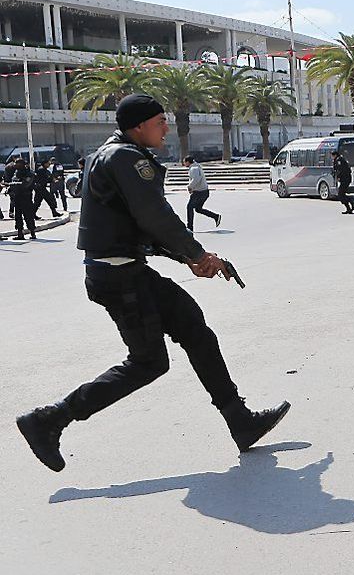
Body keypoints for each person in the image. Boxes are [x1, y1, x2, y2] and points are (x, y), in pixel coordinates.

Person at [15, 94, 289, 473]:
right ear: (139, 126)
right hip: (119, 276)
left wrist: (189, 259)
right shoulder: (125, 158)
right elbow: (154, 216)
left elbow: (139, 227)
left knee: (195, 328)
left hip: (127, 269)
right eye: (160, 121)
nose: (166, 128)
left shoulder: (112, 155)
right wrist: (197, 254)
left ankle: (240, 421)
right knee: (148, 362)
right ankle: (49, 419)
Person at [184, 156, 221, 231]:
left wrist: (190, 187)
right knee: (198, 209)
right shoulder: (196, 167)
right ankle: (216, 216)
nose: (183, 163)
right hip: (204, 192)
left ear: (188, 162)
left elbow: (196, 179)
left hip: (199, 192)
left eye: (184, 162)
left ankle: (190, 227)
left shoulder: (194, 169)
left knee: (189, 207)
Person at [9, 158, 37, 240]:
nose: (15, 165)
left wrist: (14, 185)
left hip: (26, 197)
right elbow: (12, 183)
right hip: (17, 197)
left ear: (21, 164)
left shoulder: (29, 174)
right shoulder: (16, 173)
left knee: (28, 215)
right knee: (18, 216)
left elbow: (25, 184)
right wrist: (10, 188)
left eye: (17, 164)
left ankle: (32, 232)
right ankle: (20, 234)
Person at [331, 150, 354, 214]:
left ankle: (352, 203)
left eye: (332, 156)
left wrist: (338, 177)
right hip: (345, 179)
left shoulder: (339, 160)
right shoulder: (339, 159)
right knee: (341, 194)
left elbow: (341, 170)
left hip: (345, 179)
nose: (331, 157)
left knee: (340, 194)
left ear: (334, 155)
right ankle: (349, 207)